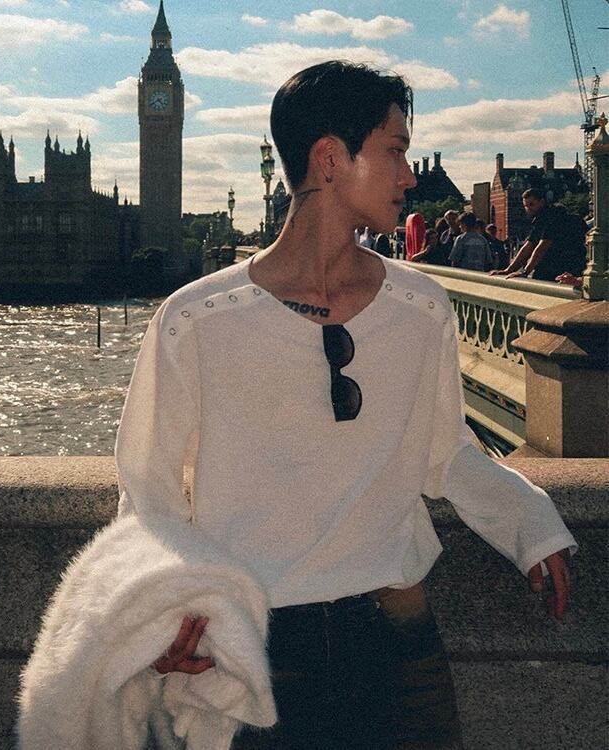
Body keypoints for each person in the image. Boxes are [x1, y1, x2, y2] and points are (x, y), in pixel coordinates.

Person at [115, 61, 575, 749]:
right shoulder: (196, 320)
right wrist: (157, 613)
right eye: (396, 151)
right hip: (252, 649)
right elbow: (148, 489)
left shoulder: (422, 308)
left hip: (397, 640)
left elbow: (445, 453)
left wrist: (530, 524)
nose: (409, 176)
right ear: (330, 159)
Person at [491, 188, 588, 280]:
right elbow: (528, 246)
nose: (528, 208)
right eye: (526, 206)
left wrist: (525, 272)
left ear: (542, 202)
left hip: (554, 270)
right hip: (575, 269)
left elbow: (542, 246)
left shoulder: (548, 218)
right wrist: (509, 270)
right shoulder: (548, 218)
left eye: (531, 204)